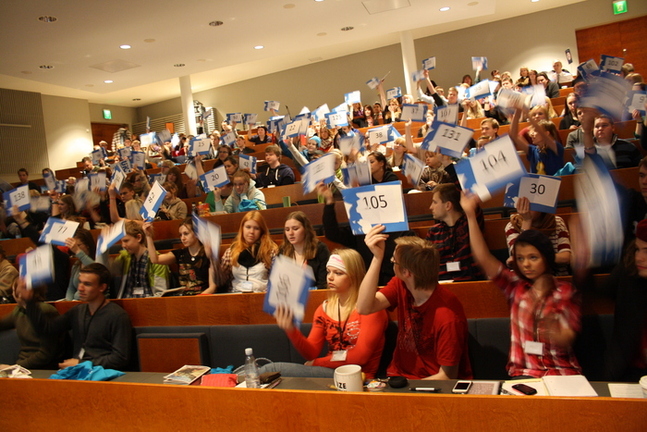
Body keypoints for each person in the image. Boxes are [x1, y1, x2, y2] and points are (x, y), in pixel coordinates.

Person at [462, 193, 582, 378]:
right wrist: (470, 215)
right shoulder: (514, 287)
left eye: (533, 257)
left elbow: (567, 337)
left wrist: (553, 329)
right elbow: (483, 258)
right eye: (520, 258)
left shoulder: (565, 291)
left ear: (546, 258)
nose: (525, 264)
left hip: (561, 372)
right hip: (524, 373)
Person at [357, 227, 472, 380]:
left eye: (393, 261)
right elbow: (364, 307)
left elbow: (447, 377)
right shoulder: (401, 284)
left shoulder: (447, 316)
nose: (391, 264)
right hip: (399, 376)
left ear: (406, 272)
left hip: (432, 386)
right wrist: (377, 258)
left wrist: (406, 392)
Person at [259, 249, 388, 378]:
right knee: (269, 373)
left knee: (273, 369)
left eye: (338, 273)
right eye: (328, 271)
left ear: (354, 276)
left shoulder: (371, 308)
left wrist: (317, 363)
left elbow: (360, 357)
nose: (330, 277)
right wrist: (291, 329)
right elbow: (311, 352)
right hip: (331, 374)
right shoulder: (324, 308)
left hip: (360, 377)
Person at [18, 263, 132, 370]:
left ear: (102, 287)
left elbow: (120, 358)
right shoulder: (78, 311)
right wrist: (30, 301)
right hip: (78, 371)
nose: (80, 288)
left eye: (87, 284)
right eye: (80, 282)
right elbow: (47, 329)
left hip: (103, 374)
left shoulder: (117, 315)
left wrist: (82, 364)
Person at [592, 219, 647, 381]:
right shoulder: (628, 271)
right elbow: (597, 295)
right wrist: (584, 262)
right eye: (637, 249)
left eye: (646, 250)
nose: (639, 257)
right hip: (627, 371)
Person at [426, 184, 485, 281]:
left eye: (434, 202)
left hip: (471, 284)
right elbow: (427, 264)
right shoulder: (433, 232)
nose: (430, 207)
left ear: (448, 205)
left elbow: (464, 188)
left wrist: (449, 168)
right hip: (442, 286)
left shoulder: (470, 223)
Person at [144, 218, 218, 295]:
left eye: (186, 234)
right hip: (184, 298)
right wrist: (148, 236)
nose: (182, 238)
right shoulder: (180, 254)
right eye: (180, 235)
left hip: (203, 298)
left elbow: (212, 288)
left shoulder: (208, 254)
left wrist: (196, 301)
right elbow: (155, 260)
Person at [98, 220, 169, 298]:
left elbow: (161, 293)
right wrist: (104, 246)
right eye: (122, 242)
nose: (123, 245)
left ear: (139, 237)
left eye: (126, 241)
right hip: (126, 302)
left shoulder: (156, 260)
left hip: (148, 303)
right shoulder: (124, 258)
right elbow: (103, 271)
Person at [0, 280, 62, 370]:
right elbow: (2, 324)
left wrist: (16, 367)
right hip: (24, 365)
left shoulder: (46, 311)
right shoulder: (19, 310)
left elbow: (46, 354)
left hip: (44, 367)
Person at [505, 197, 572, 276]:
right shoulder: (512, 226)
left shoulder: (557, 222)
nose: (526, 209)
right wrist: (527, 221)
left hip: (556, 277)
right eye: (523, 204)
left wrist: (537, 258)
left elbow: (565, 257)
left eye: (530, 205)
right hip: (526, 279)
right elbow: (519, 253)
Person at [221, 211, 278, 293]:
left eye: (256, 228)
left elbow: (276, 281)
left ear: (261, 230)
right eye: (248, 227)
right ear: (242, 228)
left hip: (261, 295)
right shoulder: (231, 251)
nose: (251, 232)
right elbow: (221, 279)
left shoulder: (270, 251)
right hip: (235, 295)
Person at [280, 211, 331, 290]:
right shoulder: (282, 251)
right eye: (287, 230)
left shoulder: (320, 249)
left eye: (295, 229)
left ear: (306, 229)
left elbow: (323, 284)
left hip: (314, 297)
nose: (290, 233)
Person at [510, 108, 564, 175]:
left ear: (546, 133)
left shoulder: (555, 148)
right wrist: (517, 112)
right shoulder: (532, 151)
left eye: (535, 131)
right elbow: (514, 135)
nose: (532, 134)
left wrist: (528, 115)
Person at [64, 228, 97, 301]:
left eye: (78, 245)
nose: (74, 249)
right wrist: (68, 303)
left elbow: (97, 269)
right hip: (76, 303)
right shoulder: (76, 264)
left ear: (87, 245)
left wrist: (78, 251)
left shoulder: (97, 260)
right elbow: (71, 288)